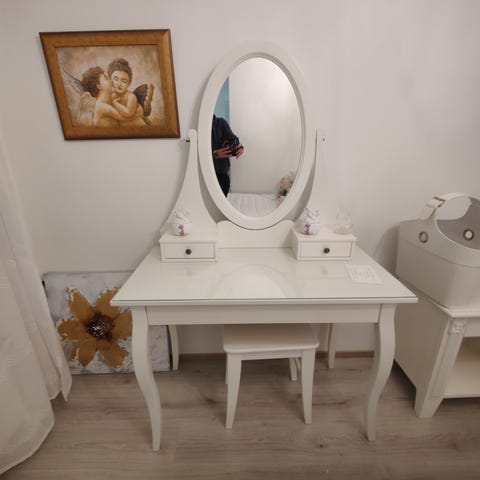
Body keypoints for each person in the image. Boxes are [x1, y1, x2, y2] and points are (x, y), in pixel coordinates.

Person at [211, 115, 244, 196]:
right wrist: (214, 154)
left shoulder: (221, 122)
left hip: (222, 174)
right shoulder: (199, 126)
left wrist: (239, 147)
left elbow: (234, 139)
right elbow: (197, 150)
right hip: (205, 173)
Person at [107, 58, 146, 126]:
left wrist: (114, 103)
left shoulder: (131, 97)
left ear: (128, 84)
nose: (119, 84)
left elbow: (128, 113)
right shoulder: (109, 94)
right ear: (110, 80)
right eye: (116, 79)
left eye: (124, 81)